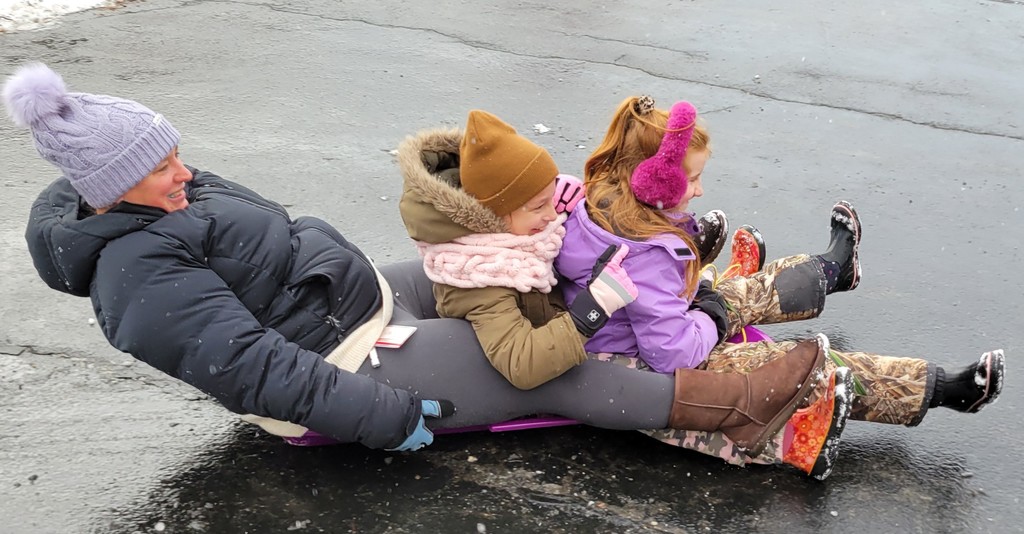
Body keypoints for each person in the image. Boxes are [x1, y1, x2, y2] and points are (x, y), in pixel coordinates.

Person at [6, 63, 828, 462]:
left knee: (493, 270)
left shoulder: (169, 197)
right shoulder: (137, 280)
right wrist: (381, 417)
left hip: (349, 305)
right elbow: (252, 370)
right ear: (114, 191)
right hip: (339, 365)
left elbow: (274, 245)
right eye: (163, 166)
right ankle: (734, 402)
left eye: (177, 154)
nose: (184, 170)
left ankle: (683, 296)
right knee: (540, 364)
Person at [396, 108, 853, 479]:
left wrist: (570, 208)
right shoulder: (483, 275)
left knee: (720, 297)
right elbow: (523, 361)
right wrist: (591, 311)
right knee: (694, 372)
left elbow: (546, 234)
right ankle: (799, 425)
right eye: (539, 205)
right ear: (493, 216)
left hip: (595, 329)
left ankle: (825, 273)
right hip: (585, 354)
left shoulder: (518, 236)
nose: (550, 211)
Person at [553, 95, 1006, 468]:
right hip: (645, 366)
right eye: (692, 179)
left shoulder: (601, 206)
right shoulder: (645, 254)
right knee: (791, 366)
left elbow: (657, 307)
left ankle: (831, 271)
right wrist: (710, 317)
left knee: (734, 296)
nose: (699, 190)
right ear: (653, 180)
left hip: (638, 334)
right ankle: (941, 389)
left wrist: (703, 302)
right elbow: (673, 353)